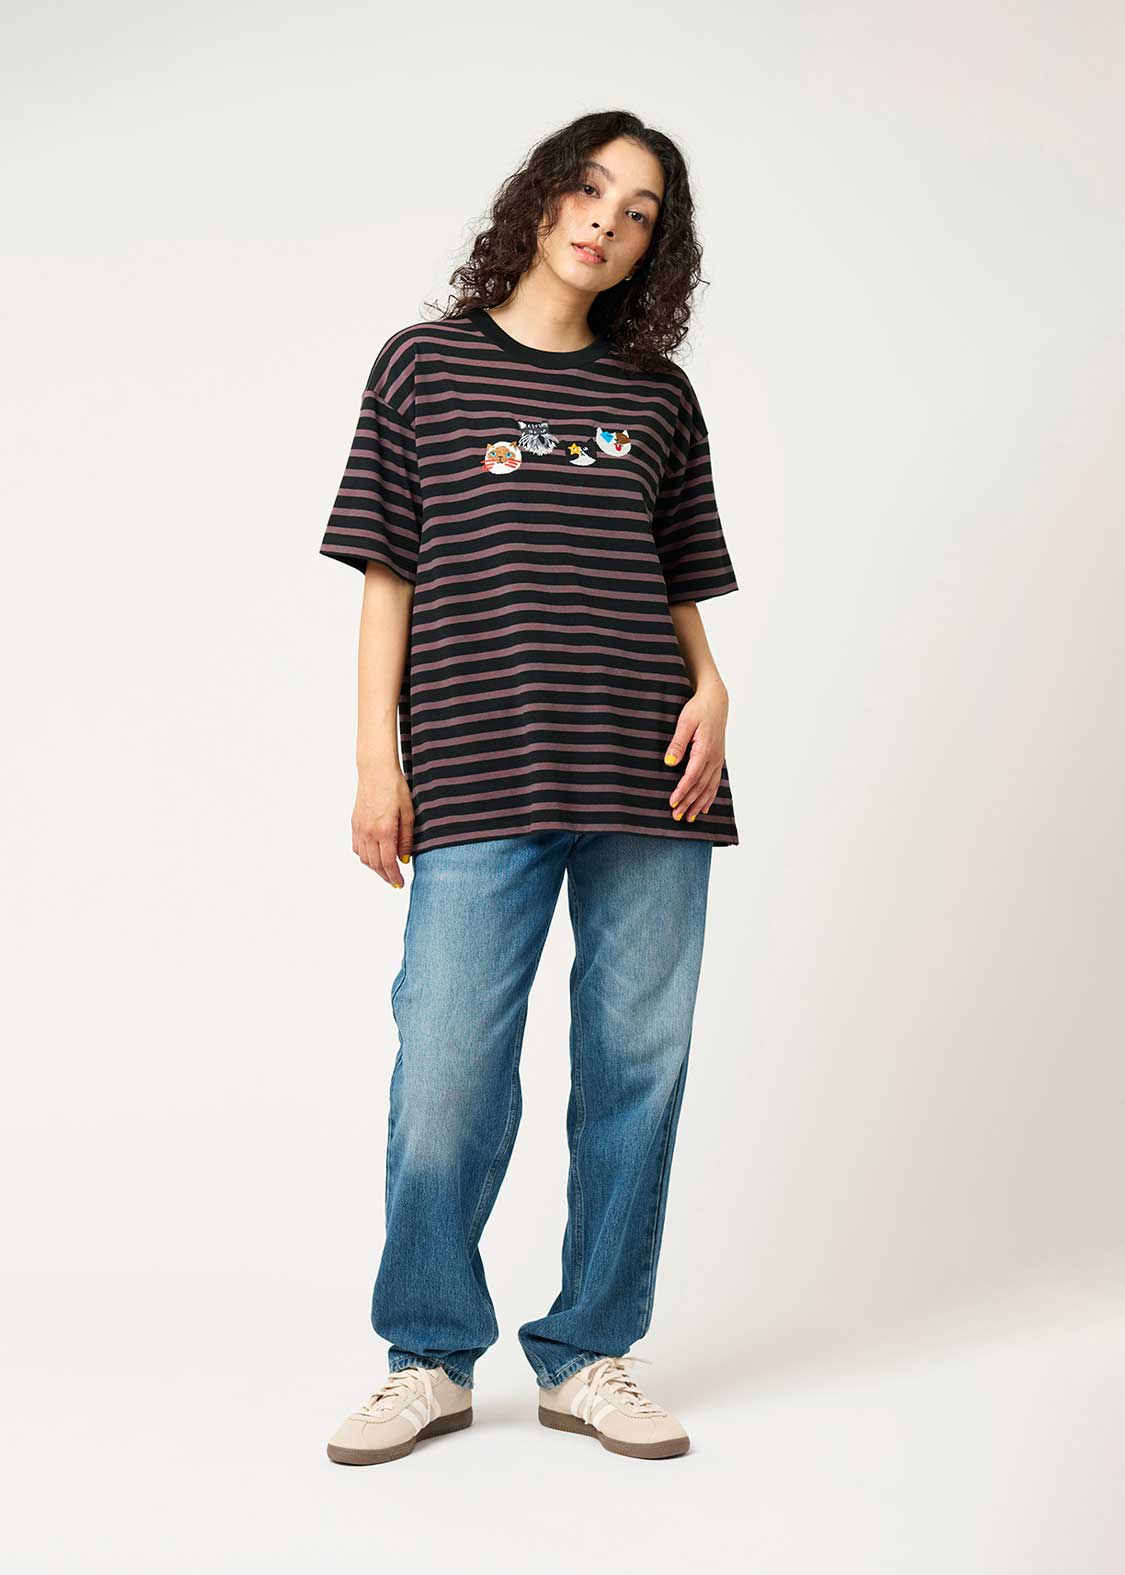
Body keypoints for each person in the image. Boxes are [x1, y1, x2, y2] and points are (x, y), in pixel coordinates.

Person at [320, 109, 740, 1466]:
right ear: (542, 197)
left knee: (636, 1070)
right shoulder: (424, 367)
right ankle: (428, 1354)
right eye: (590, 187)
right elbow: (387, 573)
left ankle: (590, 1353)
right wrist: (376, 760)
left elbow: (678, 579)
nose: (607, 219)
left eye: (640, 211)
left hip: (650, 770)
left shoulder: (658, 396)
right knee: (446, 1064)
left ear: (654, 247)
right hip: (478, 766)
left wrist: (713, 687)